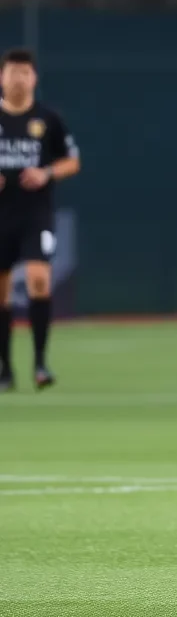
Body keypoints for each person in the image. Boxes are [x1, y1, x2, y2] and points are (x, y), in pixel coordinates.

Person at [0, 48, 81, 390]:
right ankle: (5, 369)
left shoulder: (48, 119)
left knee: (38, 279)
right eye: (12, 72)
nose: (18, 78)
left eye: (25, 72)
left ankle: (40, 363)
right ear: (1, 77)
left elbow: (72, 161)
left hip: (35, 214)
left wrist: (46, 173)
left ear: (34, 78)